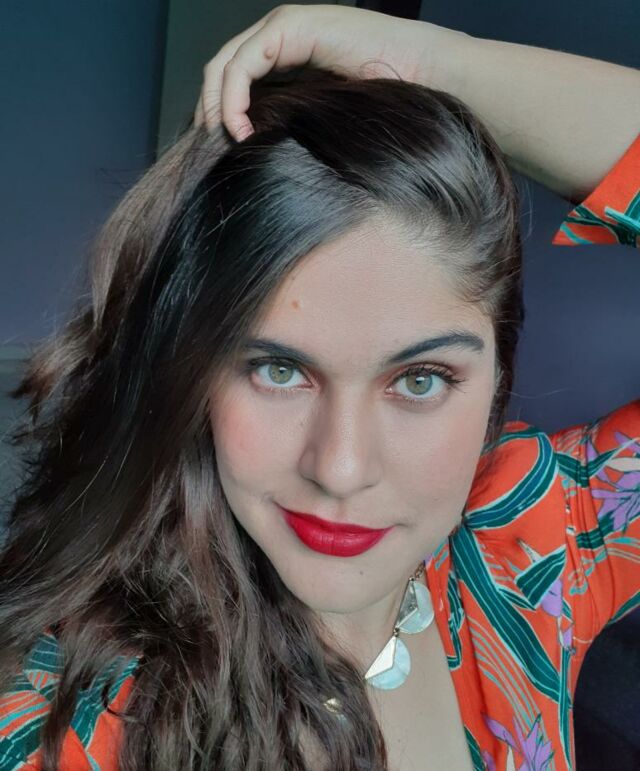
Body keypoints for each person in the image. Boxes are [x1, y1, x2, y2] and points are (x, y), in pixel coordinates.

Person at [0, 5, 638, 771]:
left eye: (420, 379)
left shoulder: (528, 539)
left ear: (499, 373)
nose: (340, 467)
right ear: (195, 374)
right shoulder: (67, 730)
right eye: (278, 370)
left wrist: (439, 66)